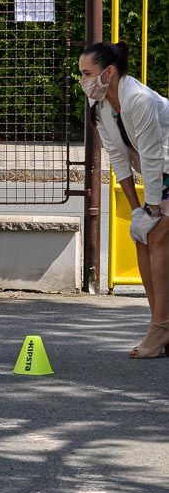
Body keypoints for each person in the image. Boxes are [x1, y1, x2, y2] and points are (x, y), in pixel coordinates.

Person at [79, 40, 169, 358]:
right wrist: (136, 209)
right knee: (143, 237)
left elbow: (153, 157)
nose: (83, 80)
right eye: (80, 74)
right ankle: (160, 322)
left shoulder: (138, 99)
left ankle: (160, 330)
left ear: (110, 72)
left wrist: (153, 208)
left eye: (87, 73)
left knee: (157, 236)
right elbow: (117, 158)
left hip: (164, 168)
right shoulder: (100, 106)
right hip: (160, 173)